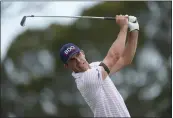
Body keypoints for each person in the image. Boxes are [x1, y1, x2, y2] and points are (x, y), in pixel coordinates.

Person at [59, 14, 139, 117]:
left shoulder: (96, 66)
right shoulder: (85, 80)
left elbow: (125, 59)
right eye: (72, 60)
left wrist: (134, 29)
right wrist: (123, 28)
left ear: (82, 53)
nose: (78, 61)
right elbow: (114, 56)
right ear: (67, 66)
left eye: (78, 55)